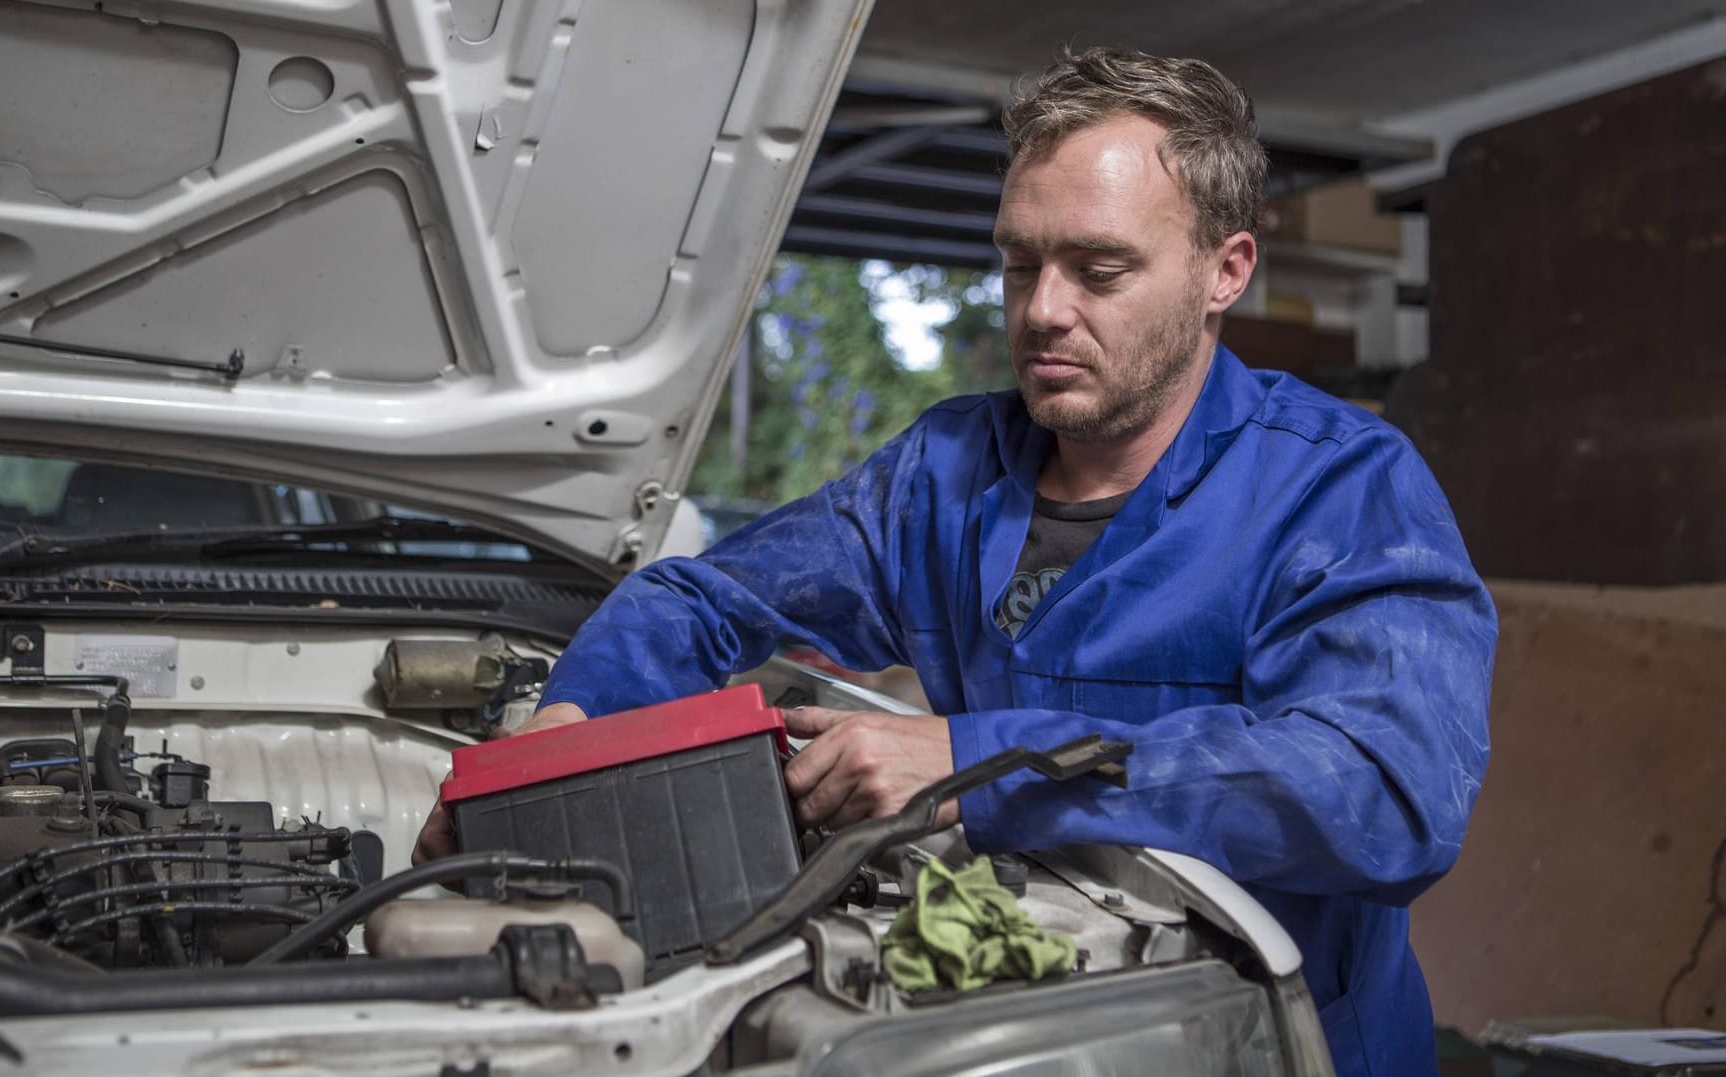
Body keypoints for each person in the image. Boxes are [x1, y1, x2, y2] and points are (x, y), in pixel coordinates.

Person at [417, 46, 1494, 1077]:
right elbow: (704, 598)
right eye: (1021, 263)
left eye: (1100, 268)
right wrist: (566, 733)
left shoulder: (1342, 491)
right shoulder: (943, 474)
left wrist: (979, 762)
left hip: (1274, 1046)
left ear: (1227, 271)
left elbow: (1386, 797)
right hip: (1018, 1016)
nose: (1043, 311)